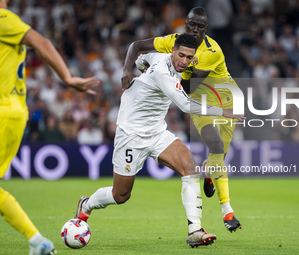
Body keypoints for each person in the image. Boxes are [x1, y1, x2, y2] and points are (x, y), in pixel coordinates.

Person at [74, 34, 245, 248]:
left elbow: (142, 58)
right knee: (121, 195)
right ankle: (86, 204)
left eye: (189, 58)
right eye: (181, 55)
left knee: (190, 168)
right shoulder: (164, 73)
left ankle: (195, 231)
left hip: (156, 131)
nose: (184, 61)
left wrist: (136, 67)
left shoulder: (157, 58)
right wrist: (223, 112)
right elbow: (185, 104)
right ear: (172, 51)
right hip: (131, 133)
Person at [121, 7, 242, 233]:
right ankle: (227, 211)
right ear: (185, 23)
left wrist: (159, 70)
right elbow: (136, 46)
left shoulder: (211, 51)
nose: (195, 29)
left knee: (219, 156)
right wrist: (128, 69)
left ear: (206, 29)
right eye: (191, 24)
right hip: (199, 100)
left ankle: (210, 171)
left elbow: (187, 83)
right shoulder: (175, 42)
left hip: (224, 98)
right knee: (215, 146)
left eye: (200, 26)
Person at [0, 0, 100, 254]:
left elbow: (42, 42)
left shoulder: (3, 19)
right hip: (12, 111)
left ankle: (37, 241)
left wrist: (67, 78)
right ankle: (37, 242)